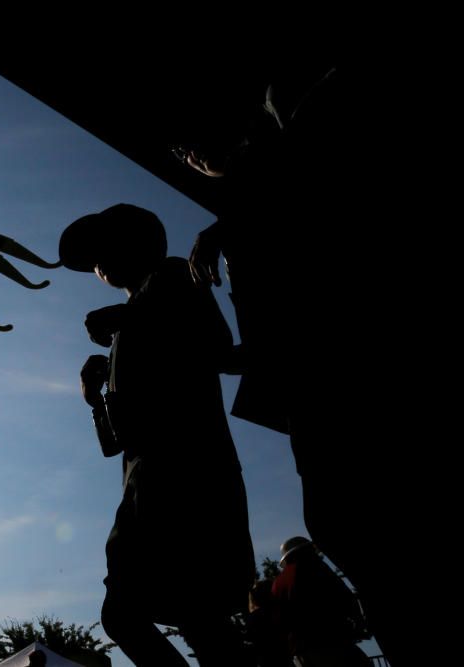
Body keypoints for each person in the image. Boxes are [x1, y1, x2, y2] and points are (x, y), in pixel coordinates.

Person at [180, 67, 424, 665]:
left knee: (348, 515)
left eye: (189, 143)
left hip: (328, 377)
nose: (185, 156)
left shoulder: (270, 168)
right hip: (312, 376)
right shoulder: (257, 185)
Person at [60, 204, 255, 666]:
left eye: (104, 249)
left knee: (175, 615)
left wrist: (133, 318)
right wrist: (95, 398)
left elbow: (220, 352)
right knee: (191, 620)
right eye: (93, 259)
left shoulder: (170, 278)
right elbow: (118, 442)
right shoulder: (128, 324)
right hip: (144, 486)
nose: (98, 264)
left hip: (188, 476)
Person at [271, 537, 370, 667]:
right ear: (304, 551)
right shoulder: (314, 567)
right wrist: (359, 623)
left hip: (301, 652)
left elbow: (278, 620)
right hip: (331, 642)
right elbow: (344, 596)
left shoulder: (277, 583)